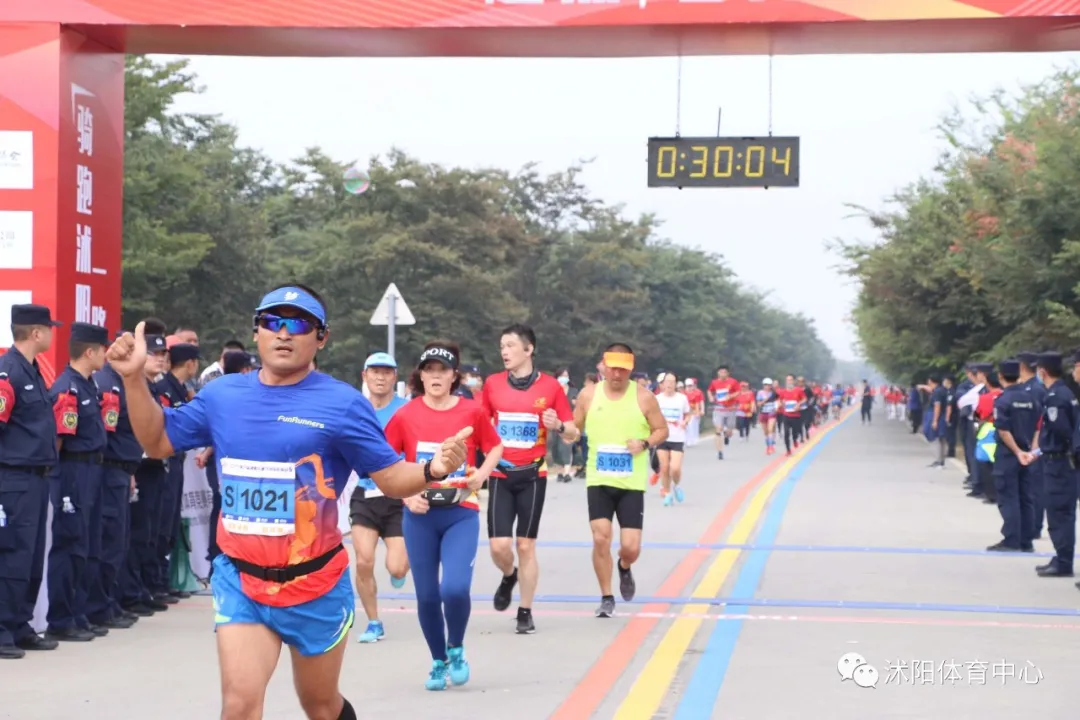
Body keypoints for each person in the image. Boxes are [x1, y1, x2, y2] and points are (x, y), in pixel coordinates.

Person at [105, 284, 472, 720]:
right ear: (257, 332)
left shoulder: (342, 404)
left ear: (321, 337)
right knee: (239, 704)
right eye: (272, 322)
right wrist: (131, 379)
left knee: (319, 704)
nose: (283, 333)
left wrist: (432, 469)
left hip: (314, 583)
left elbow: (391, 479)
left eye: (298, 324)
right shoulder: (223, 396)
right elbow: (158, 439)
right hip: (242, 579)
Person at [385, 341, 503, 689]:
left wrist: (482, 474)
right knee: (426, 596)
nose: (436, 377)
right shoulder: (405, 415)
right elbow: (386, 464)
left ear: (454, 377)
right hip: (419, 516)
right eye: (429, 370)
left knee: (453, 588)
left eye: (443, 371)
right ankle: (438, 660)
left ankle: (456, 647)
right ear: (420, 376)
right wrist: (407, 497)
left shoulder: (471, 411)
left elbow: (494, 445)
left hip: (460, 513)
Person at [481, 325, 577, 635]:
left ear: (528, 349)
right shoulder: (493, 384)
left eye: (510, 345)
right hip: (500, 473)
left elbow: (574, 433)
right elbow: (481, 425)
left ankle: (525, 610)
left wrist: (559, 425)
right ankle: (509, 575)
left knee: (525, 545)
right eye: (501, 346)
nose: (504, 352)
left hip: (534, 474)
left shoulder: (550, 387)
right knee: (499, 547)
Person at [572, 343, 668, 618]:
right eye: (612, 368)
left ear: (631, 369)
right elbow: (574, 429)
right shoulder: (588, 395)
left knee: (631, 547)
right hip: (599, 478)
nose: (617, 374)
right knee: (601, 538)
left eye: (623, 369)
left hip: (631, 483)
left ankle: (624, 567)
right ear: (603, 365)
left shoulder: (644, 397)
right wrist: (562, 429)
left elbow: (662, 429)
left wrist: (646, 442)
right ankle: (606, 596)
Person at [0, 304, 63, 659]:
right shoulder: (8, 372)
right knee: (12, 554)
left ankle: (20, 622)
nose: (52, 334)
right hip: (14, 478)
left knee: (32, 554)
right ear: (36, 333)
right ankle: (2, 626)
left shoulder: (34, 371)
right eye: (48, 328)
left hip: (38, 478)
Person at [44, 322, 111, 643]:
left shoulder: (89, 385)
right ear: (90, 352)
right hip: (72, 473)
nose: (106, 355)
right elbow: (58, 441)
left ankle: (79, 612)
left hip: (93, 472)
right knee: (69, 544)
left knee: (88, 544)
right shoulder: (66, 388)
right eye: (103, 349)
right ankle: (61, 617)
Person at [350, 352, 410, 644]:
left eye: (387, 372)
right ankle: (374, 621)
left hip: (399, 494)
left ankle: (400, 569)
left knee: (397, 567)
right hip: (365, 492)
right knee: (363, 560)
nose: (380, 377)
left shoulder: (407, 409)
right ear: (365, 376)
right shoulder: (355, 409)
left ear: (394, 377)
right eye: (375, 372)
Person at [1031, 352, 1078, 577]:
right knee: (1063, 512)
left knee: (1059, 513)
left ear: (1043, 371)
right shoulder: (1066, 392)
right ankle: (1062, 557)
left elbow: (1063, 431)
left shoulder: (1055, 397)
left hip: (1059, 463)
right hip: (1061, 462)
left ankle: (1063, 561)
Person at [989, 359, 1040, 553]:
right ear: (1018, 376)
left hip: (1009, 454)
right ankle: (1026, 541)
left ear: (1001, 377)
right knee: (1026, 497)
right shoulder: (1031, 399)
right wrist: (1031, 452)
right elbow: (1038, 427)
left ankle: (1011, 539)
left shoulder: (1003, 400)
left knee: (1009, 497)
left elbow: (1003, 430)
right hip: (1027, 454)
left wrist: (1017, 452)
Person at [655, 372, 691, 507]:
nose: (669, 384)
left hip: (677, 438)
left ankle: (676, 485)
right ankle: (667, 493)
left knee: (674, 468)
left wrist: (685, 422)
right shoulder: (657, 399)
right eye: (667, 381)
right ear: (662, 384)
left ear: (676, 384)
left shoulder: (682, 398)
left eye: (672, 381)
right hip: (662, 437)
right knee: (664, 467)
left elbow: (688, 414)